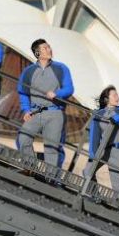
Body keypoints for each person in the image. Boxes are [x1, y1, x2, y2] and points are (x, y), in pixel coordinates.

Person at [16, 38, 74, 167]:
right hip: (35, 113)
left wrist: (57, 94)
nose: (49, 49)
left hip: (55, 113)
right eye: (45, 48)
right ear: (37, 53)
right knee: (23, 138)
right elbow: (23, 92)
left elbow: (69, 89)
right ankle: (31, 167)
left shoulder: (61, 68)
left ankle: (50, 178)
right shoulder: (28, 71)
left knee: (51, 149)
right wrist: (26, 110)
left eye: (49, 47)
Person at [86, 85, 119, 195]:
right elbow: (94, 136)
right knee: (87, 171)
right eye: (114, 95)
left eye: (117, 94)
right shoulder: (99, 113)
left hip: (117, 151)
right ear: (107, 99)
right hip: (103, 149)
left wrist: (115, 117)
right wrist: (93, 155)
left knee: (118, 184)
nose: (117, 97)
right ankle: (95, 196)